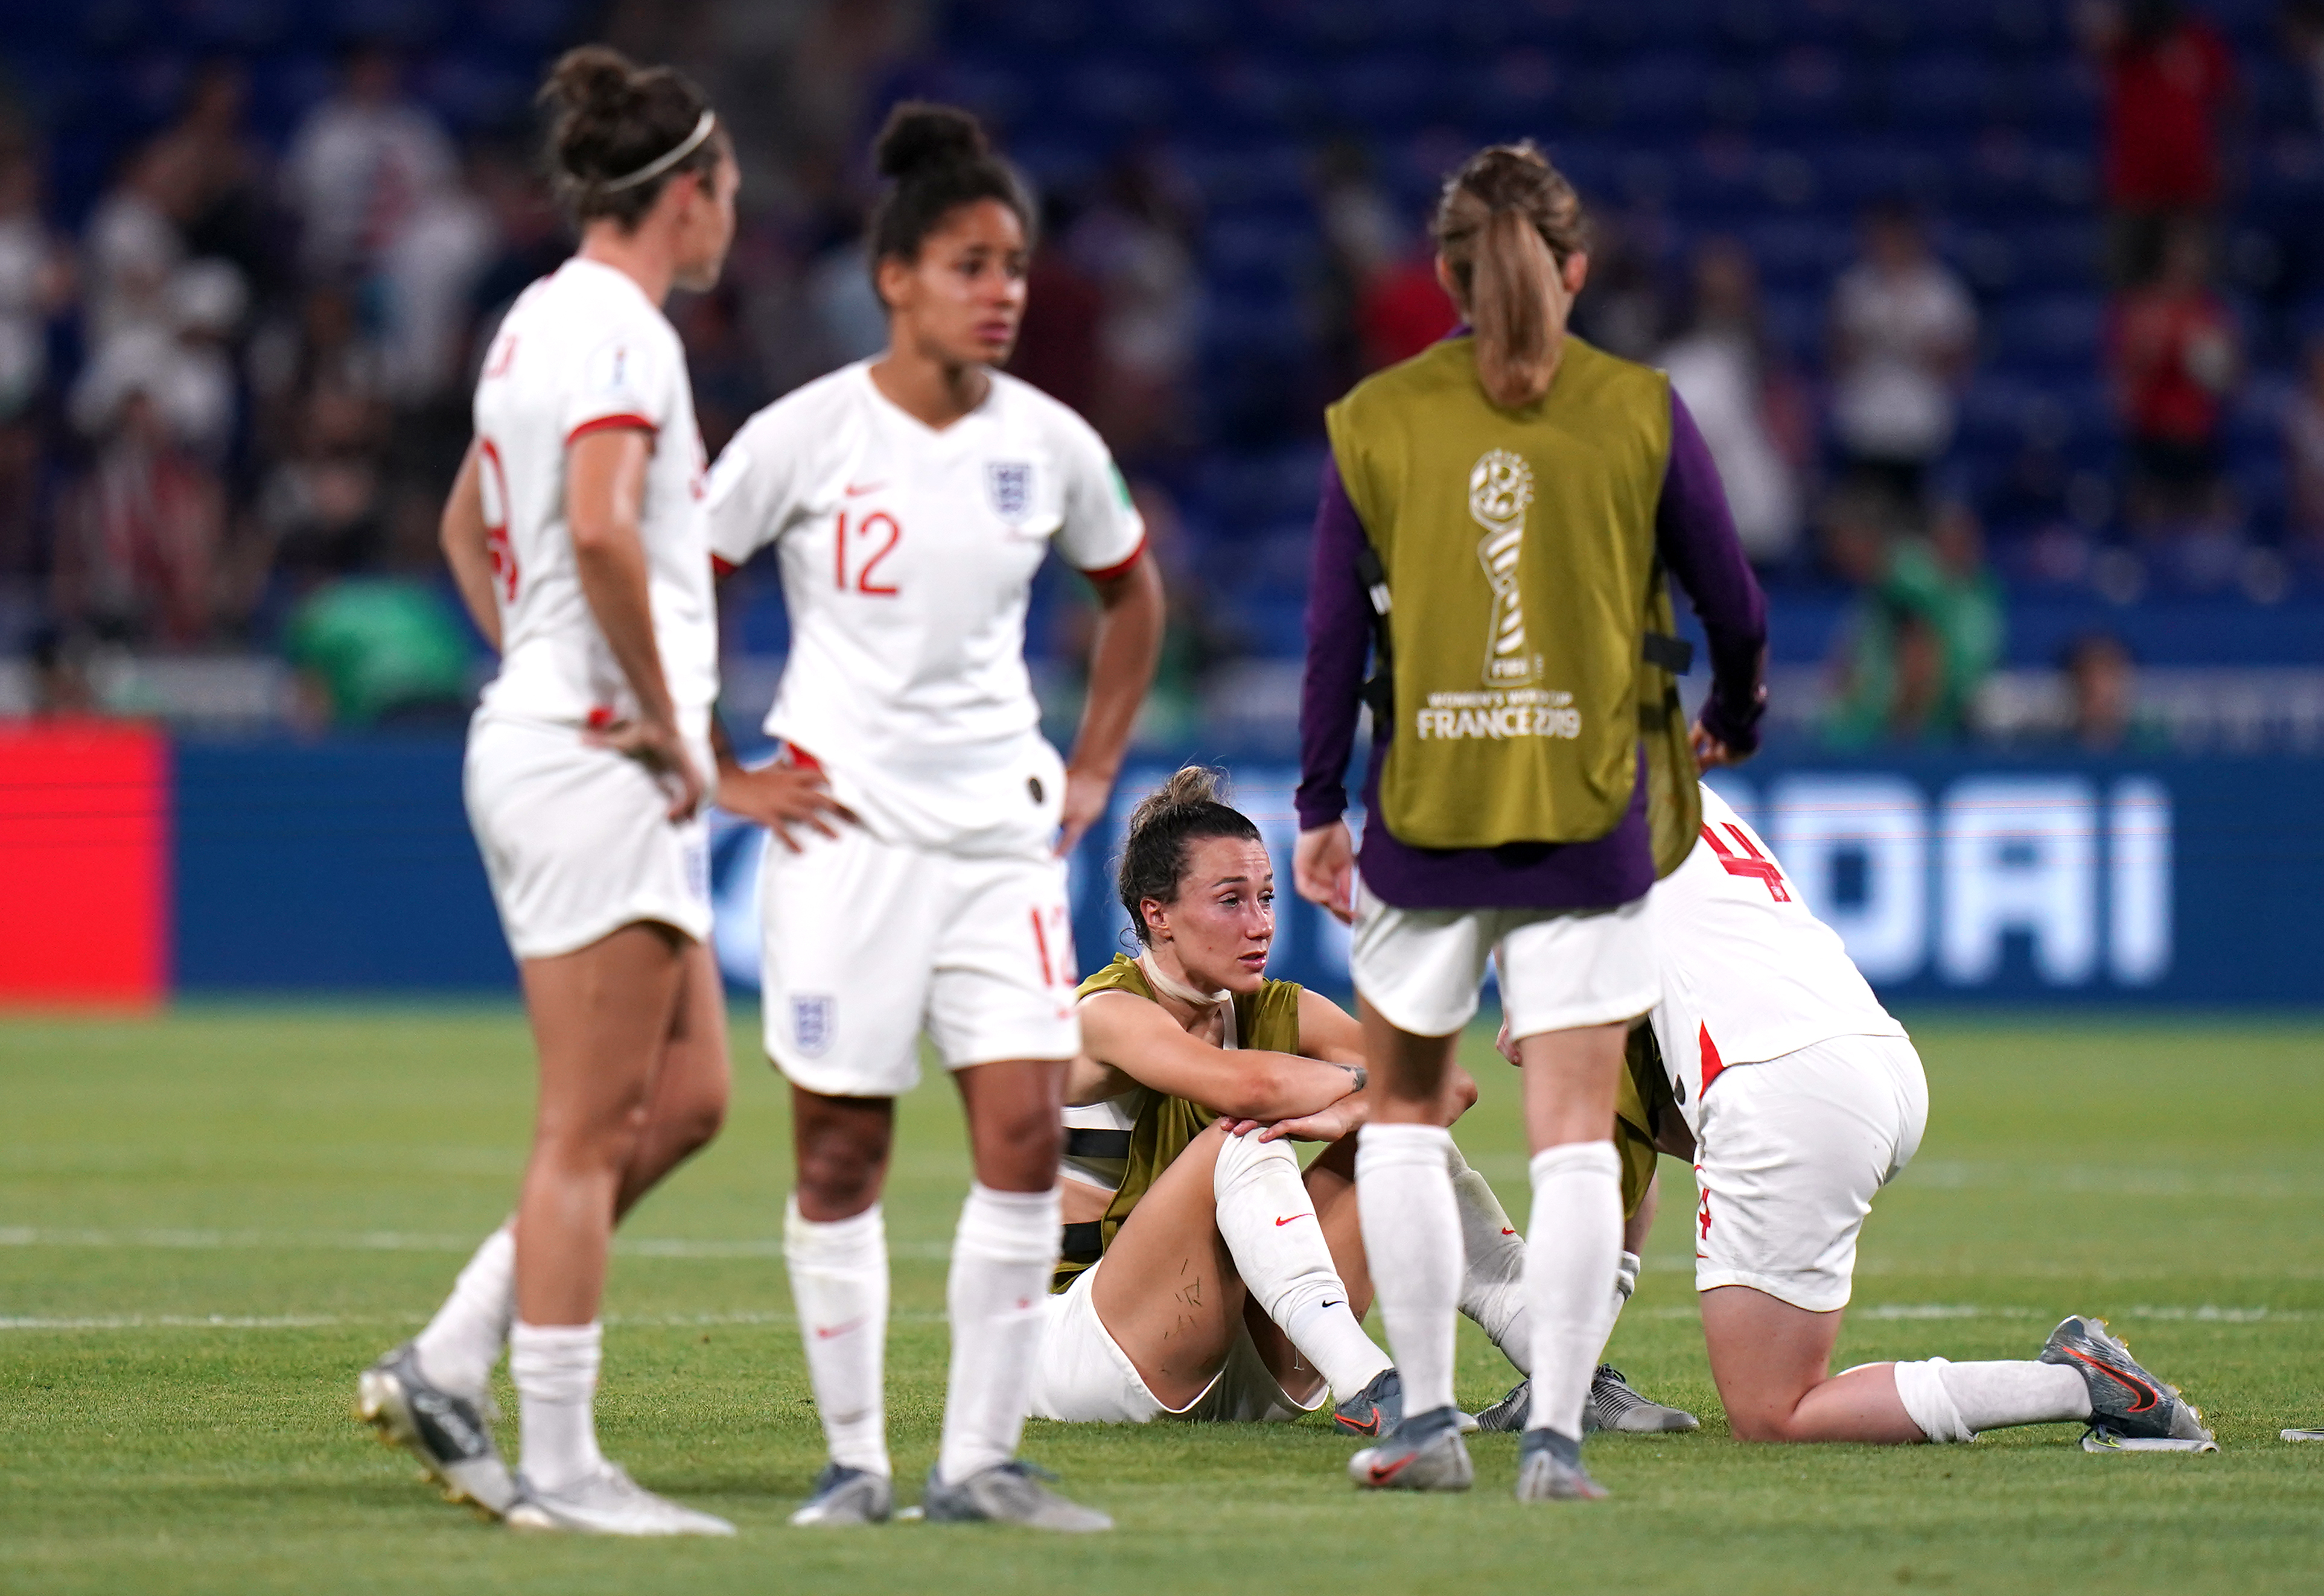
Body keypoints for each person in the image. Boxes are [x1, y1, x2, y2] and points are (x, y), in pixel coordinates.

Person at [703, 103, 1165, 1533]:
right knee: (839, 1149)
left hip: (996, 844)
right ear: (895, 275)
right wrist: (720, 767)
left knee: (1026, 1131)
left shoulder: (1052, 443)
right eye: (971, 262)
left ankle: (980, 1461)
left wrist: (1091, 771)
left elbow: (1131, 594)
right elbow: (679, 580)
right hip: (844, 847)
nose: (1003, 289)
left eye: (1014, 262)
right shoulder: (803, 436)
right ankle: (854, 1462)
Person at [1294, 141, 1766, 1503]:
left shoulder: (1374, 418)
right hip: (1585, 813)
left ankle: (1428, 1418)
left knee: (1396, 1115)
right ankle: (1553, 1435)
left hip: (1423, 816)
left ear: (1441, 272)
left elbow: (1334, 637)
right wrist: (1730, 706)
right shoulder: (1638, 407)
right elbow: (1731, 600)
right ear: (1576, 265)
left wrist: (1320, 802)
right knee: (1569, 1131)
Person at [354, 46, 740, 1537]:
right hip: (596, 753)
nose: (729, 225)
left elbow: (469, 521)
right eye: (725, 198)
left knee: (691, 1090)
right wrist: (631, 707)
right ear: (686, 195)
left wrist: (541, 676)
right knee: (587, 1123)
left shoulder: (534, 323)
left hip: (557, 733)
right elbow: (592, 528)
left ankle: (452, 1352)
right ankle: (565, 1464)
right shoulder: (628, 335)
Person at [1034, 768, 1696, 1437]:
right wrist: (1371, 1090)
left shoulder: (1277, 1006)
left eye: (1265, 896)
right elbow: (1251, 1088)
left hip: (1244, 1360)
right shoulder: (1109, 1010)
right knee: (1241, 1134)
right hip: (1093, 1355)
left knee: (1403, 1135)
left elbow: (1451, 1086)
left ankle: (1562, 1371)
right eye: (1230, 900)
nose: (1260, 923)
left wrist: (1358, 1112)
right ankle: (1375, 1385)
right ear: (1157, 914)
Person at [1625, 783, 2211, 1450]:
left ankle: (2083, 1383)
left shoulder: (1565, 797)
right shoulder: (1673, 783)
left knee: (1771, 1412)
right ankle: (1568, 1369)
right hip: (1870, 1055)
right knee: (1618, 1109)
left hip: (1783, 1087)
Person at [1827, 202, 1976, 526]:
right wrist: (1867, 338)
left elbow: (1957, 361)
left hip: (1919, 427)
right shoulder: (1856, 288)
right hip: (1867, 425)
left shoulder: (1939, 290)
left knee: (1914, 525)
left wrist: (1917, 342)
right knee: (1868, 521)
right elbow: (1836, 357)